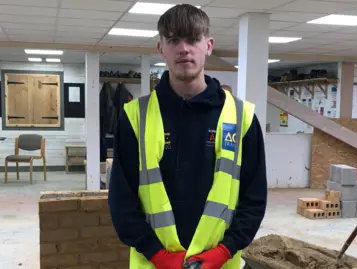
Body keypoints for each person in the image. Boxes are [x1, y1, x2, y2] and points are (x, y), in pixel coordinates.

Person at [108, 4, 267, 269]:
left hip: (220, 263)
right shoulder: (135, 116)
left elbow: (254, 196)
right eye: (173, 40)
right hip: (154, 263)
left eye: (193, 39)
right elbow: (122, 199)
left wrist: (225, 250)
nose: (184, 48)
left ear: (208, 45)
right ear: (161, 48)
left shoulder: (242, 117)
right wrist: (157, 254)